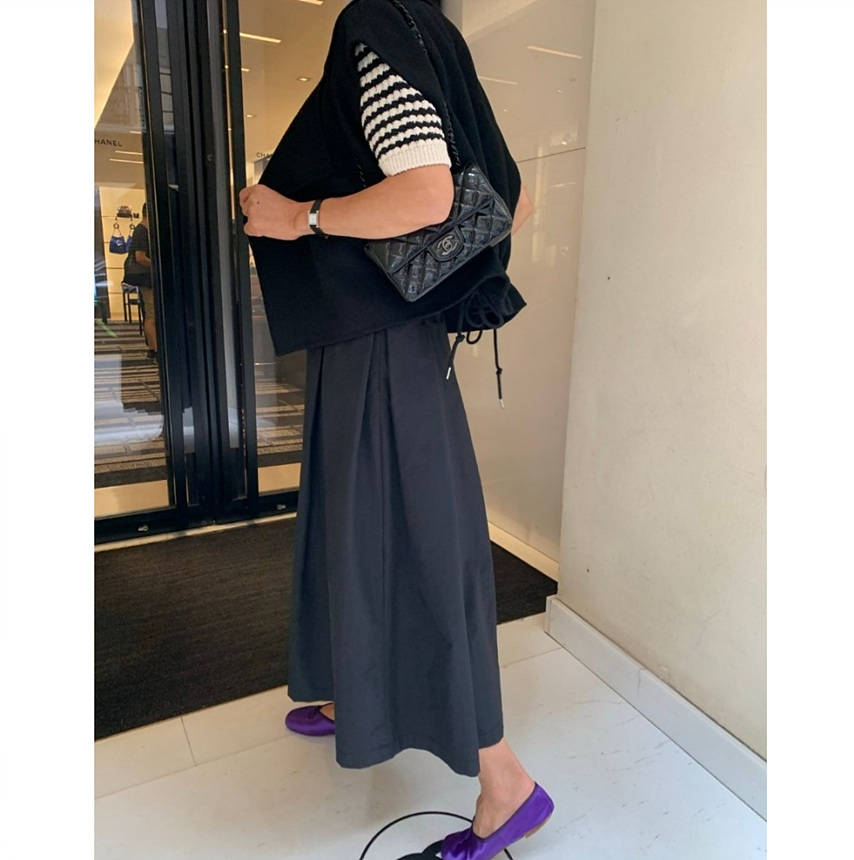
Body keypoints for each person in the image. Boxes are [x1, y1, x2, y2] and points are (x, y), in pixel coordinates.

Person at [240, 2, 552, 858]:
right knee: (368, 523)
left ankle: (505, 783)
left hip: (375, 348)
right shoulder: (427, 30)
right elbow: (513, 201)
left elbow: (425, 193)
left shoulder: (375, 22)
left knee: (409, 538)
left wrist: (296, 216)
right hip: (389, 340)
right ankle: (355, 690)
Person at [123, 202, 157, 359]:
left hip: (146, 277)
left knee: (151, 313)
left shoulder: (143, 230)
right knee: (152, 314)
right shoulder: (142, 231)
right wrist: (158, 266)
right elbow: (140, 257)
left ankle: (154, 347)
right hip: (145, 278)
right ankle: (154, 349)